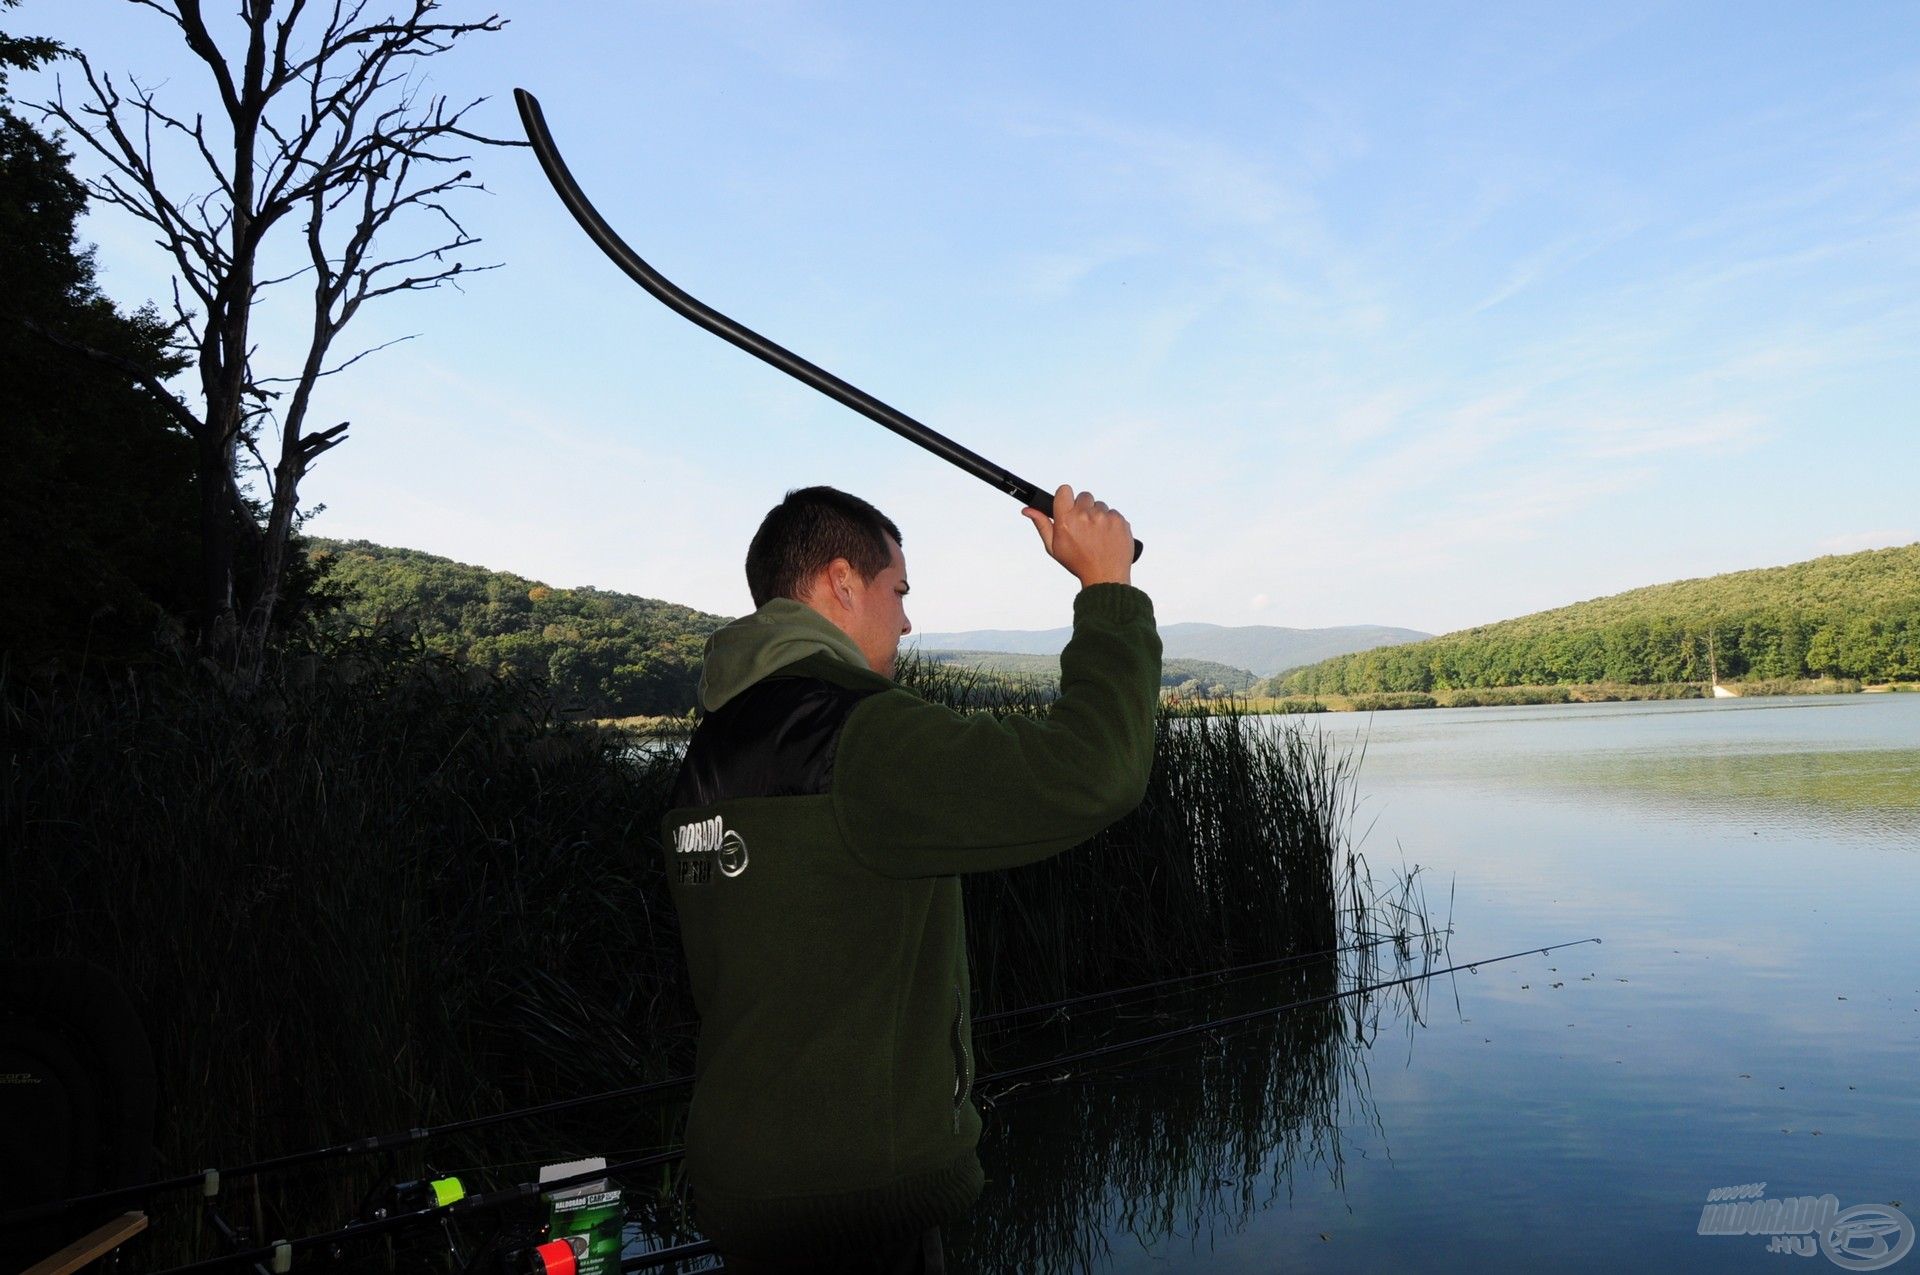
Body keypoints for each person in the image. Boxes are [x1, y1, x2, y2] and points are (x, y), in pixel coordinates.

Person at [661, 483, 1161, 1272]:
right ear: (841, 582)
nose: (904, 619)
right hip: (857, 1212)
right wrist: (1107, 590)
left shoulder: (709, 750)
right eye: (897, 591)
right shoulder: (857, 733)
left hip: (747, 1200)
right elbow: (1095, 768)